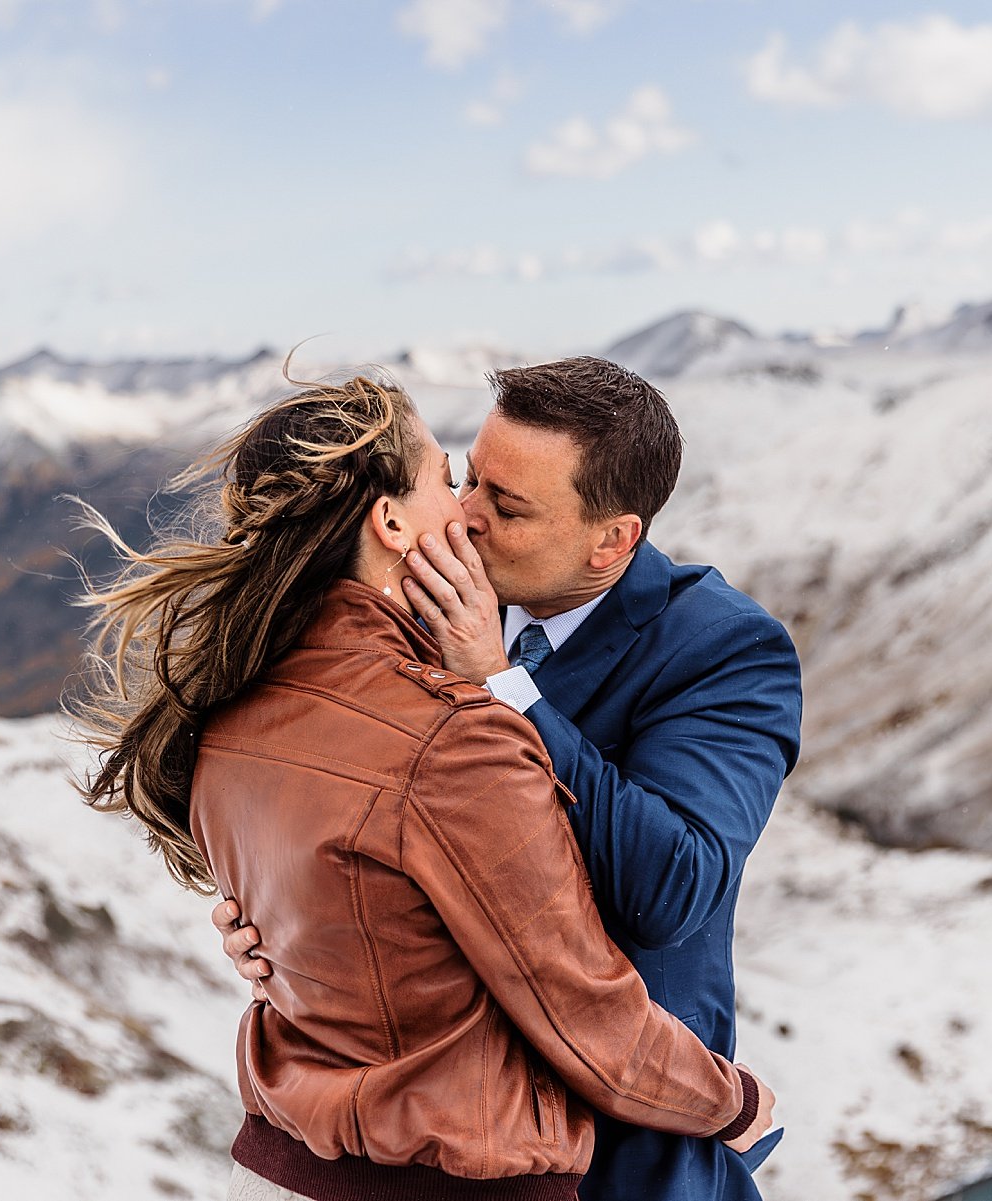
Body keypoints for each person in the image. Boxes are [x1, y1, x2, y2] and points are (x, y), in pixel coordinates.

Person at [70, 370, 777, 1201]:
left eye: (504, 504)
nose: (471, 513)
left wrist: (502, 686)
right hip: (461, 1158)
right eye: (464, 476)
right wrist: (298, 930)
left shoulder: (722, 649)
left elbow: (669, 889)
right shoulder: (403, 663)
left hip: (635, 1149)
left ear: (611, 540)